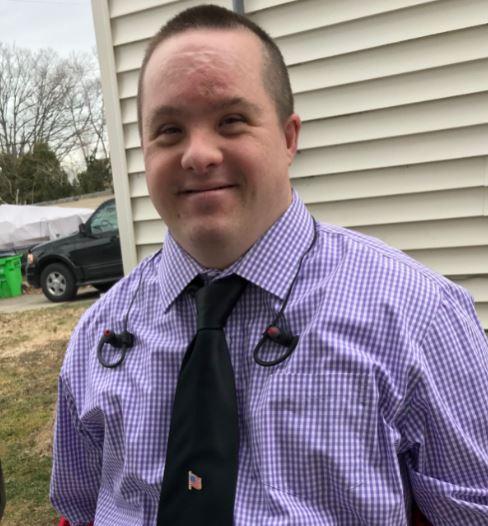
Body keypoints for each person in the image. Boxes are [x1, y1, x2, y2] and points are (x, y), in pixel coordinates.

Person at [50, 4, 488, 525]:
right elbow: (79, 511)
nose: (198, 154)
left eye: (231, 120)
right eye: (168, 130)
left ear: (288, 138)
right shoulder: (98, 335)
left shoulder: (419, 318)